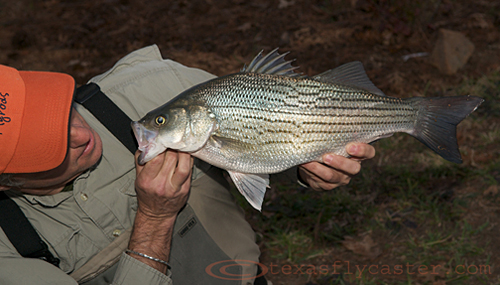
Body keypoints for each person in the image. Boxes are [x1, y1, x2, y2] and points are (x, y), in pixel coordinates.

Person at [0, 45, 375, 284]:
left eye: (58, 111)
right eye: (50, 147)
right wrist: (155, 219)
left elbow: (272, 118)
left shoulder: (152, 86)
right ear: (6, 183)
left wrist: (306, 168)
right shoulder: (6, 254)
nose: (81, 135)